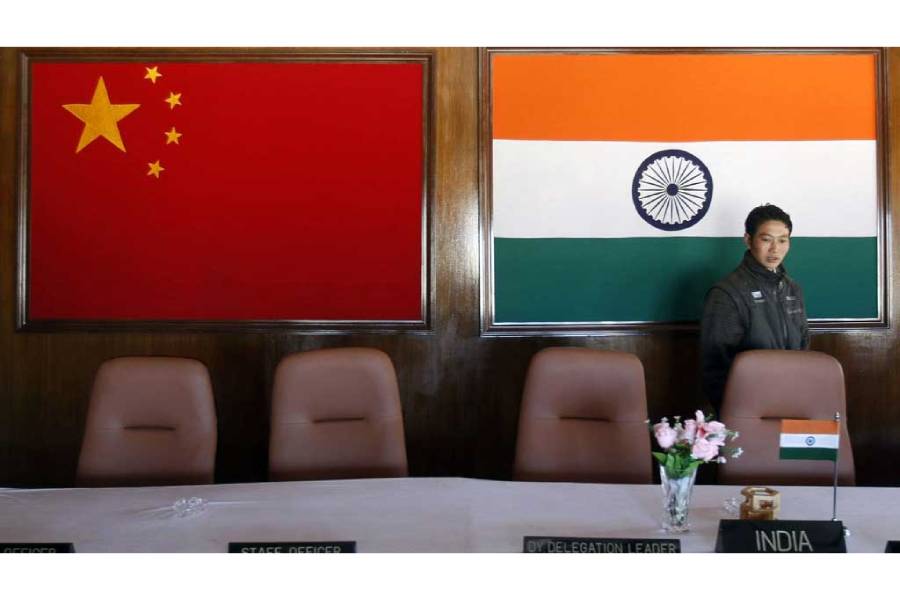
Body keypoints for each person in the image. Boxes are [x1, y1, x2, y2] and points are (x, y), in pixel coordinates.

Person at [700, 204, 809, 410]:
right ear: (748, 240)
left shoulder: (793, 289)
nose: (775, 249)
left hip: (793, 400)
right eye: (766, 239)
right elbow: (715, 368)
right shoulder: (726, 293)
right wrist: (735, 414)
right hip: (748, 407)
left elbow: (804, 348)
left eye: (783, 240)